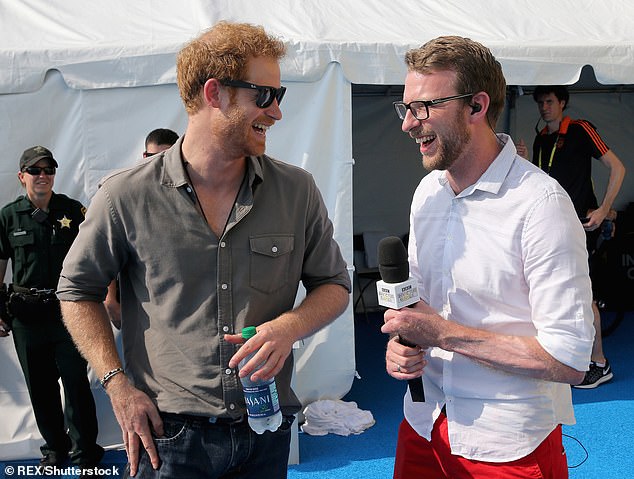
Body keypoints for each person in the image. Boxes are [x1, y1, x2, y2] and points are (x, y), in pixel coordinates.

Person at [57, 21, 351, 479]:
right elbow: (77, 291)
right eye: (265, 95)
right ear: (215, 93)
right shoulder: (125, 196)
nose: (276, 113)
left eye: (280, 96)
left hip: (266, 429)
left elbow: (333, 284)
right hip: (168, 439)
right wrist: (117, 385)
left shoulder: (297, 190)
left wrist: (290, 326)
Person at [383, 36, 594, 478]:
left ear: (476, 107)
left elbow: (571, 359)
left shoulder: (542, 205)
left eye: (423, 108)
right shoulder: (428, 192)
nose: (407, 124)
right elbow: (418, 308)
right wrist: (402, 345)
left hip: (507, 444)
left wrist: (440, 333)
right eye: (405, 108)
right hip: (424, 424)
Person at [0, 146, 104, 470]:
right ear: (22, 177)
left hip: (67, 313)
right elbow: (1, 263)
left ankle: (86, 454)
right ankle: (56, 451)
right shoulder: (8, 216)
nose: (42, 176)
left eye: (48, 170)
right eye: (35, 170)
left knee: (76, 383)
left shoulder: (72, 211)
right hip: (27, 317)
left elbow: (93, 256)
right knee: (41, 388)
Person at [517, 85, 626, 388]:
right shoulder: (541, 139)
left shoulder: (580, 129)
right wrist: (524, 162)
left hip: (581, 226)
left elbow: (617, 167)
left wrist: (605, 209)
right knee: (554, 292)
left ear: (562, 102)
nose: (544, 107)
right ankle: (566, 356)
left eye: (549, 101)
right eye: (540, 103)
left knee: (583, 296)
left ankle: (600, 363)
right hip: (552, 227)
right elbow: (542, 182)